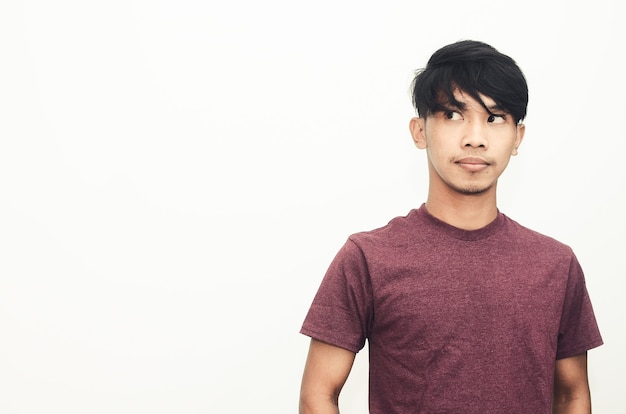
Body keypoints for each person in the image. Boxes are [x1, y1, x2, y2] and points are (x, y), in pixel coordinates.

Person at [298, 40, 603, 414]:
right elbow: (318, 395)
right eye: (453, 115)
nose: (475, 137)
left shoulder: (556, 264)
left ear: (517, 137)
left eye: (494, 118)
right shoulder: (368, 258)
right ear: (419, 131)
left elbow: (573, 394)